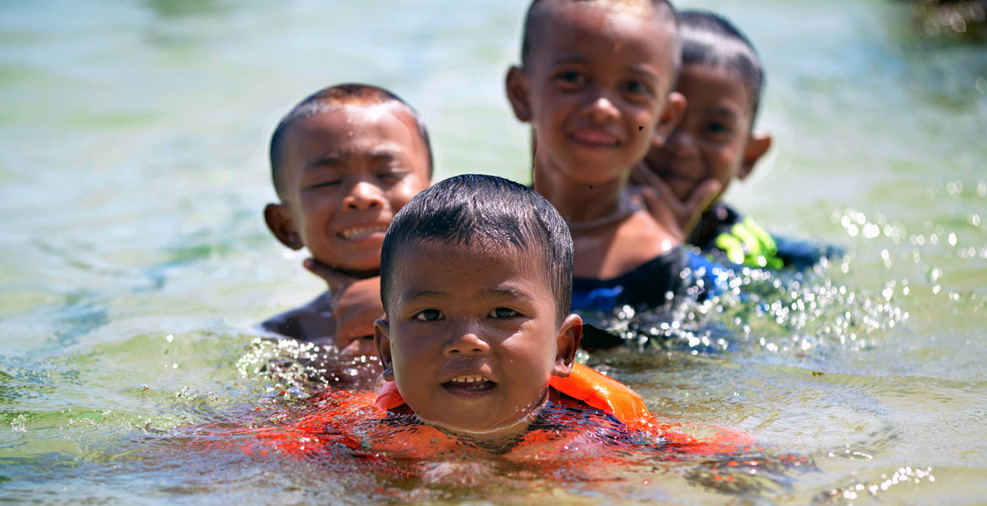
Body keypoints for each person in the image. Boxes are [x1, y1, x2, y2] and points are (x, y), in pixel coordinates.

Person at [234, 175, 752, 467]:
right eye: (429, 314)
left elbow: (722, 454)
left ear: (564, 347)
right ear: (386, 352)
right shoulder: (359, 430)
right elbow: (237, 455)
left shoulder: (611, 424)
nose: (465, 340)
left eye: (503, 313)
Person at [505, 0, 705, 317]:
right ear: (521, 93)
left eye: (633, 87)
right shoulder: (478, 237)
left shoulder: (672, 275)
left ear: (664, 118)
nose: (602, 107)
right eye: (572, 77)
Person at [635, 10, 835, 270]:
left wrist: (669, 254)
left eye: (714, 127)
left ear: (749, 156)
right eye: (664, 118)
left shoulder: (759, 258)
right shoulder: (576, 226)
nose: (682, 144)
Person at [259, 83, 433, 350]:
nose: (362, 195)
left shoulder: (494, 297)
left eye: (390, 174)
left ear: (438, 201)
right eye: (326, 182)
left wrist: (400, 306)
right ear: (285, 226)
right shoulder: (287, 338)